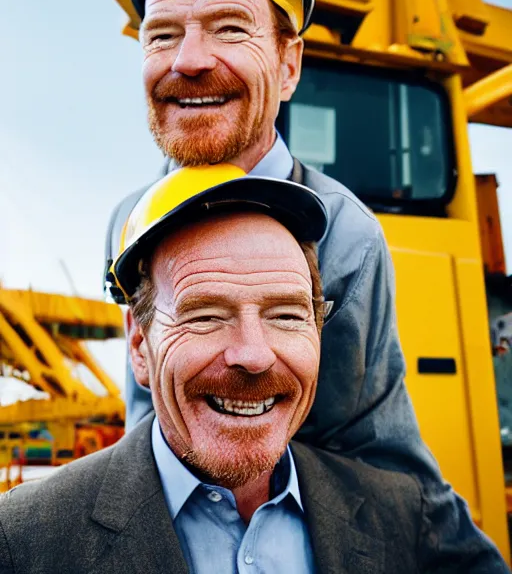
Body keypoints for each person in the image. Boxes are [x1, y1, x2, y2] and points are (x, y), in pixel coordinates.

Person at [103, 0, 508, 568]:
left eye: (230, 28)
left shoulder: (345, 237)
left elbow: (380, 467)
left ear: (289, 65)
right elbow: (145, 430)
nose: (189, 60)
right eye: (162, 34)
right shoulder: (127, 221)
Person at [0, 166, 503, 572]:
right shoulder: (22, 542)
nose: (254, 354)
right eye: (206, 315)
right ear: (139, 343)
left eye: (285, 315)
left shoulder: (403, 517)